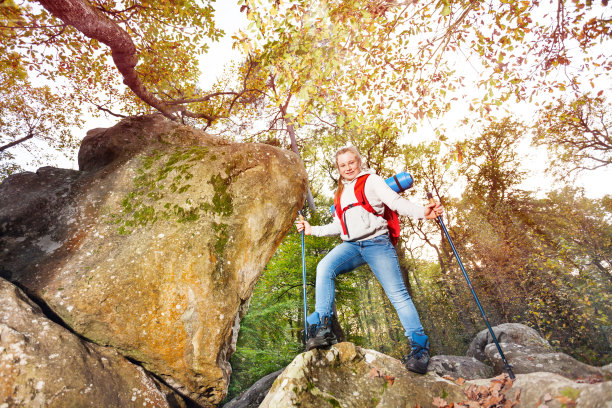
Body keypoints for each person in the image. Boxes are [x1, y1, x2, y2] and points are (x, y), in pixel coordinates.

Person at [295, 146, 443, 374]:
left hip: (377, 243)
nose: (347, 168)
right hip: (352, 245)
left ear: (359, 162)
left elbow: (395, 203)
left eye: (350, 163)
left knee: (398, 294)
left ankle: (419, 349)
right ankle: (322, 328)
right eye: (342, 165)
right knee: (324, 266)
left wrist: (424, 212)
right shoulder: (340, 193)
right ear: (338, 168)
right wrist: (311, 229)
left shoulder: (372, 180)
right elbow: (339, 226)